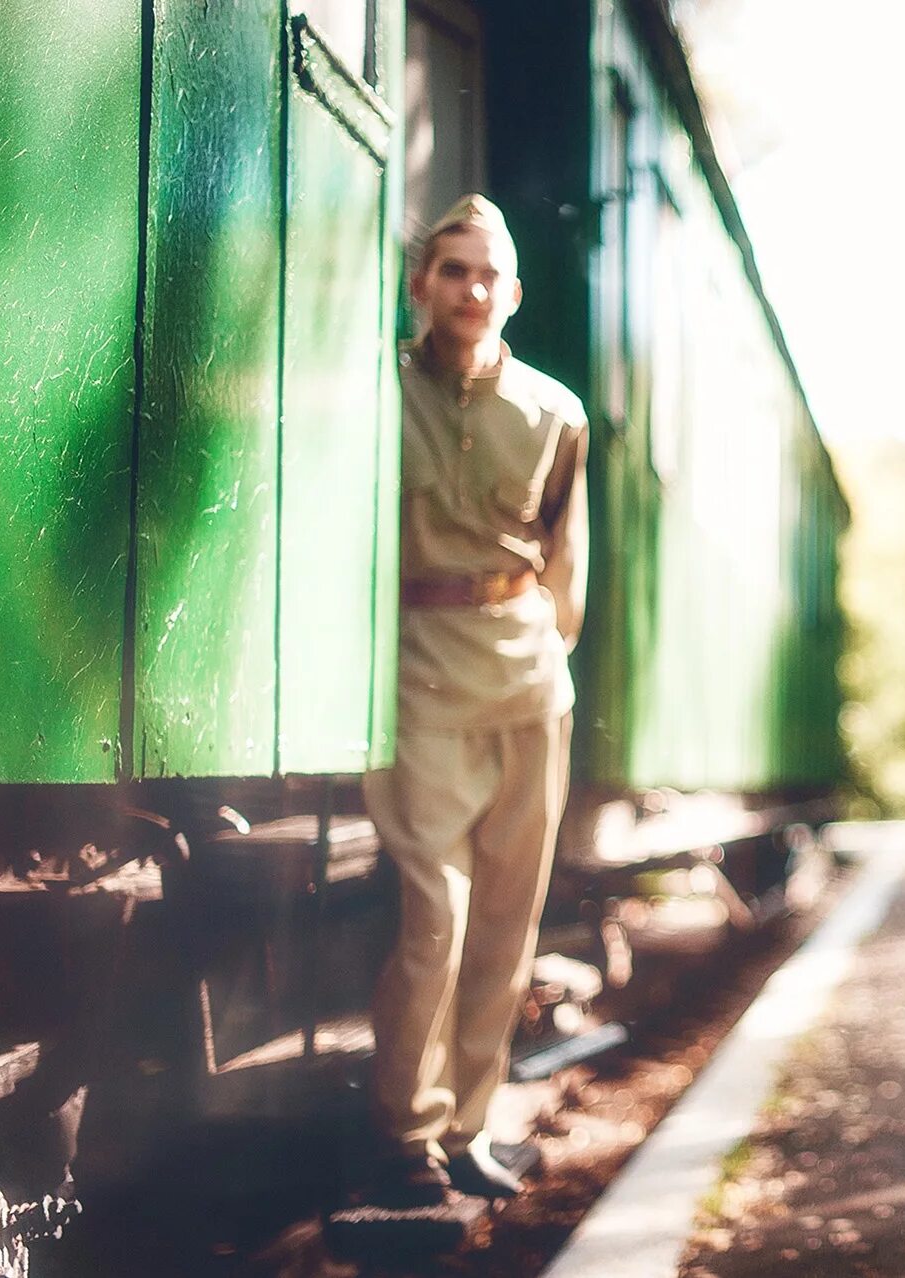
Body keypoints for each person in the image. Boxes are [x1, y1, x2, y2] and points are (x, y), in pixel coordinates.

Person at [362, 194, 588, 1206]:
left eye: (490, 272)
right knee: (436, 915)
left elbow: (566, 555)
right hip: (418, 675)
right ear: (422, 284)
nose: (473, 289)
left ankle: (466, 1129)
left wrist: (551, 651)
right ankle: (405, 1136)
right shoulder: (374, 392)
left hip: (527, 675)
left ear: (515, 292)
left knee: (507, 919)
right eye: (453, 269)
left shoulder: (554, 410)